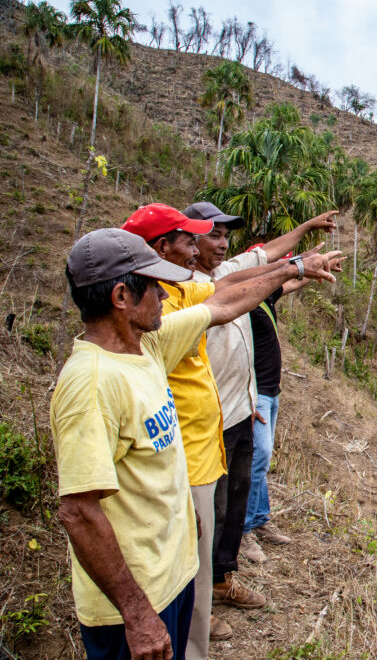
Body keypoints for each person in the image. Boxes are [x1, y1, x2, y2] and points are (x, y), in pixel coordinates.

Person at [51, 228, 339, 660]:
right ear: (121, 298)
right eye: (153, 286)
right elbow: (79, 512)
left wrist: (295, 267)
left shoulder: (147, 345)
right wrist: (137, 614)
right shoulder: (91, 385)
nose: (166, 296)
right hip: (135, 603)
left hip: (174, 576)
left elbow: (221, 304)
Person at [179, 202, 338, 614]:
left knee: (233, 503)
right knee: (205, 515)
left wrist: (303, 232)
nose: (222, 242)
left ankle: (220, 581)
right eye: (213, 234)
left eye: (225, 235)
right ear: (188, 239)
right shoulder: (185, 289)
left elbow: (266, 256)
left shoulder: (224, 271)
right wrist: (294, 269)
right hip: (203, 423)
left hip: (240, 412)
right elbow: (259, 275)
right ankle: (197, 604)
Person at [239, 246, 307, 564]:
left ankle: (260, 518)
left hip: (272, 390)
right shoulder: (244, 302)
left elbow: (290, 283)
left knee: (262, 460)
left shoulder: (265, 297)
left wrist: (312, 272)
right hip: (256, 394)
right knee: (257, 457)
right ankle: (243, 531)